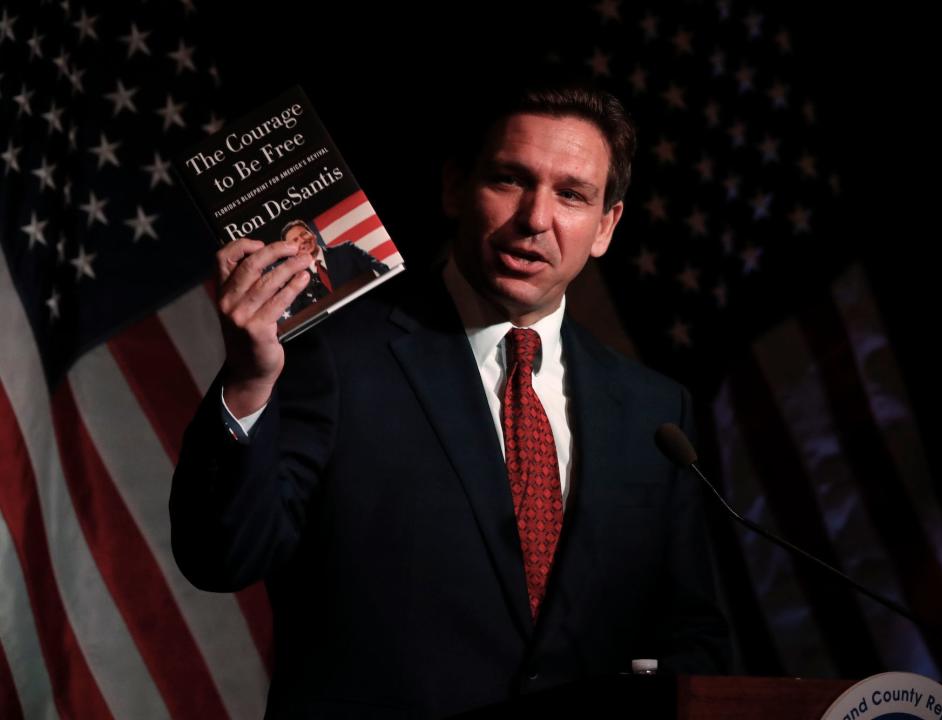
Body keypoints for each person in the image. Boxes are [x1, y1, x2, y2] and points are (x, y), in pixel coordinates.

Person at [171, 77, 730, 719]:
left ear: (606, 226)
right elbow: (221, 556)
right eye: (510, 180)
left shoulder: (656, 413)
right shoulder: (333, 356)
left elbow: (694, 639)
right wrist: (247, 382)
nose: (536, 220)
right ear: (454, 188)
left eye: (571, 196)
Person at [277, 219, 389, 317]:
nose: (302, 240)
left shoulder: (346, 250)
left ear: (313, 234)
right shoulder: (296, 283)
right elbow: (300, 320)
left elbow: (382, 271)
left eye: (304, 234)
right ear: (290, 251)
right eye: (295, 240)